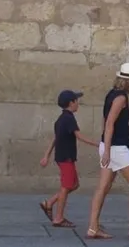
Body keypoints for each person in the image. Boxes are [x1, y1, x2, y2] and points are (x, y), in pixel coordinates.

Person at [86, 62, 129, 241]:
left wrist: (104, 145)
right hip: (115, 148)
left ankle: (93, 227)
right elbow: (110, 123)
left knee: (103, 187)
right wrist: (108, 150)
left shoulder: (111, 94)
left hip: (110, 146)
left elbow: (105, 121)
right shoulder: (121, 98)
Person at [39, 90, 97, 228]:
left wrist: (46, 155)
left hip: (63, 156)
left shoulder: (60, 119)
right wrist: (98, 144)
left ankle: (49, 202)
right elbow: (79, 136)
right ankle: (58, 218)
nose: (78, 103)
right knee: (66, 187)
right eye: (76, 100)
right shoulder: (69, 119)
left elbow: (55, 138)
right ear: (71, 103)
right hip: (66, 158)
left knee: (74, 185)